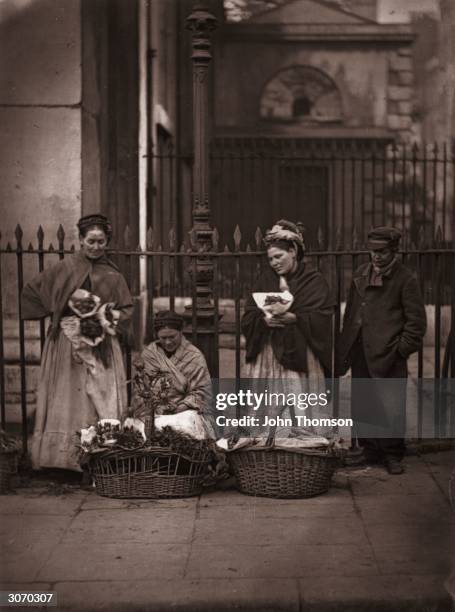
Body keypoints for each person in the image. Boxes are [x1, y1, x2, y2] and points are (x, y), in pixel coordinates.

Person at [21, 214, 133, 471]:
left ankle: (99, 458)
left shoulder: (113, 275)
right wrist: (60, 311)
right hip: (67, 343)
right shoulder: (65, 268)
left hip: (101, 345)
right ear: (81, 240)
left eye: (101, 241)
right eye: (91, 241)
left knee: (100, 396)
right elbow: (32, 292)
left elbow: (126, 310)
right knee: (67, 397)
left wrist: (104, 316)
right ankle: (62, 460)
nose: (96, 247)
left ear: (107, 242)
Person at [338, 226, 427, 474]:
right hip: (361, 351)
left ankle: (391, 454)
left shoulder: (405, 279)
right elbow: (352, 313)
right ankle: (368, 449)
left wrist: (400, 350)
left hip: (389, 353)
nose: (376, 256)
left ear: (394, 251)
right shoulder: (361, 274)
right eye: (372, 251)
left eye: (382, 252)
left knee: (391, 403)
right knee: (364, 401)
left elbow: (416, 322)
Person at [241, 220, 334, 437]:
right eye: (271, 259)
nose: (274, 263)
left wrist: (296, 318)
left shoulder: (314, 281)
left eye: (278, 257)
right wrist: (263, 322)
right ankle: (266, 446)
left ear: (293, 251)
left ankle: (306, 447)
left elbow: (323, 316)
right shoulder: (265, 279)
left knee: (302, 405)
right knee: (266, 406)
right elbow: (249, 314)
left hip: (302, 355)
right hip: (269, 355)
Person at [140, 310, 215, 437]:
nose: (168, 342)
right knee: (141, 430)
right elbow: (141, 389)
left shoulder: (194, 356)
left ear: (181, 332)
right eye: (163, 338)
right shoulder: (149, 355)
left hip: (184, 412)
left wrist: (180, 407)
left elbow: (203, 392)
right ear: (156, 335)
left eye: (172, 337)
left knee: (185, 430)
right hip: (154, 412)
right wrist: (154, 408)